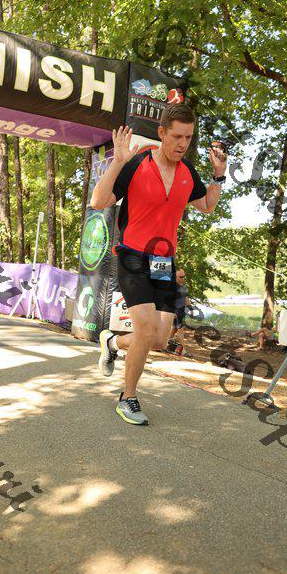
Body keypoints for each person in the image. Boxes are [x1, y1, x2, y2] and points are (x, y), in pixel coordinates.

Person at [91, 104, 227, 425]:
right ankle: (128, 397)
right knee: (146, 328)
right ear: (162, 133)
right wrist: (118, 161)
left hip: (163, 262)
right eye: (177, 136)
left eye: (188, 138)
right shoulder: (137, 164)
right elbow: (98, 201)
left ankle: (112, 342)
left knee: (160, 339)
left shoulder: (187, 173)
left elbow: (207, 205)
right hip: (133, 256)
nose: (183, 144)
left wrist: (219, 175)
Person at [168, 268, 192, 357]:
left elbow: (186, 299)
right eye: (181, 277)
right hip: (174, 313)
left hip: (181, 313)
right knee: (181, 331)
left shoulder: (183, 287)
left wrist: (191, 309)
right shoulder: (171, 287)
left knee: (173, 330)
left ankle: (164, 345)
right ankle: (183, 351)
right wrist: (171, 312)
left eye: (184, 277)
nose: (183, 278)